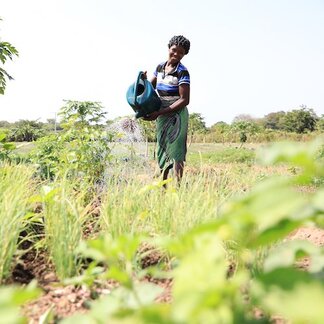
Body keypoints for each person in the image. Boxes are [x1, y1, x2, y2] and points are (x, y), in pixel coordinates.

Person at [144, 35, 191, 184]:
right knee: (162, 149)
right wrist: (142, 80)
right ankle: (163, 186)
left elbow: (184, 100)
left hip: (177, 115)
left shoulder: (182, 72)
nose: (176, 54)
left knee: (176, 151)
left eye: (181, 52)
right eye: (174, 50)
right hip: (162, 115)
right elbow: (150, 87)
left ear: (184, 55)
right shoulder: (159, 67)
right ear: (169, 48)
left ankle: (177, 187)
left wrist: (159, 113)